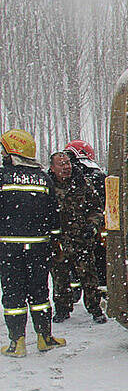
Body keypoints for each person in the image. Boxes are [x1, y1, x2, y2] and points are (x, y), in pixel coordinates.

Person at [0, 130, 66, 356]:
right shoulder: (43, 178)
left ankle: (16, 342)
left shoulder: (3, 177)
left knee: (13, 293)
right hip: (39, 247)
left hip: (9, 248)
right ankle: (44, 338)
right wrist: (55, 240)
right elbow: (53, 214)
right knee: (39, 292)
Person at [48, 151, 106, 324]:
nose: (66, 167)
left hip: (81, 239)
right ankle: (62, 309)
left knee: (89, 275)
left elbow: (96, 209)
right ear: (52, 168)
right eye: (61, 164)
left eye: (67, 163)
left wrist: (92, 226)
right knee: (59, 277)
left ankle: (95, 308)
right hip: (58, 241)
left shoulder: (83, 184)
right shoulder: (48, 186)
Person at [63, 140, 107, 289]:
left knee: (90, 263)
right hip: (91, 229)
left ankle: (84, 288)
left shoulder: (93, 178)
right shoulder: (97, 177)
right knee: (94, 264)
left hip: (89, 229)